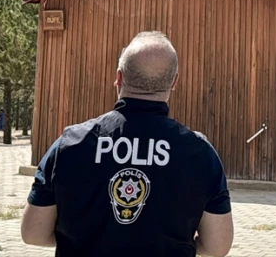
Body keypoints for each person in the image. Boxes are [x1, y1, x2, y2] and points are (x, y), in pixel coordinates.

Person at [21, 31, 234, 256]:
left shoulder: (69, 144)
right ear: (174, 82)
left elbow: (33, 234)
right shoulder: (200, 153)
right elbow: (217, 246)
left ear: (119, 77)